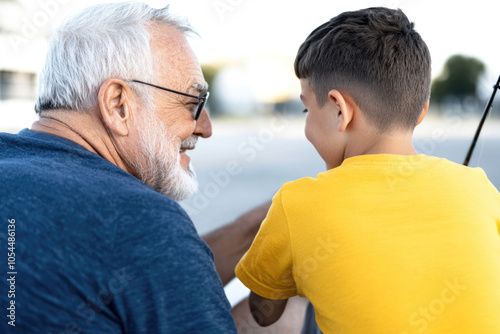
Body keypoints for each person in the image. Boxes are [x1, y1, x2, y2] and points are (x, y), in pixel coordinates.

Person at [0, 2, 273, 333]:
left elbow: (138, 274)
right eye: (193, 103)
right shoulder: (139, 220)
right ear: (118, 105)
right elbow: (142, 254)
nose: (206, 126)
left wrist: (258, 225)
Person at [235, 7, 500, 334]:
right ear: (421, 113)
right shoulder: (478, 187)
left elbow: (262, 312)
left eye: (306, 107)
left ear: (338, 110)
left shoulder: (296, 202)